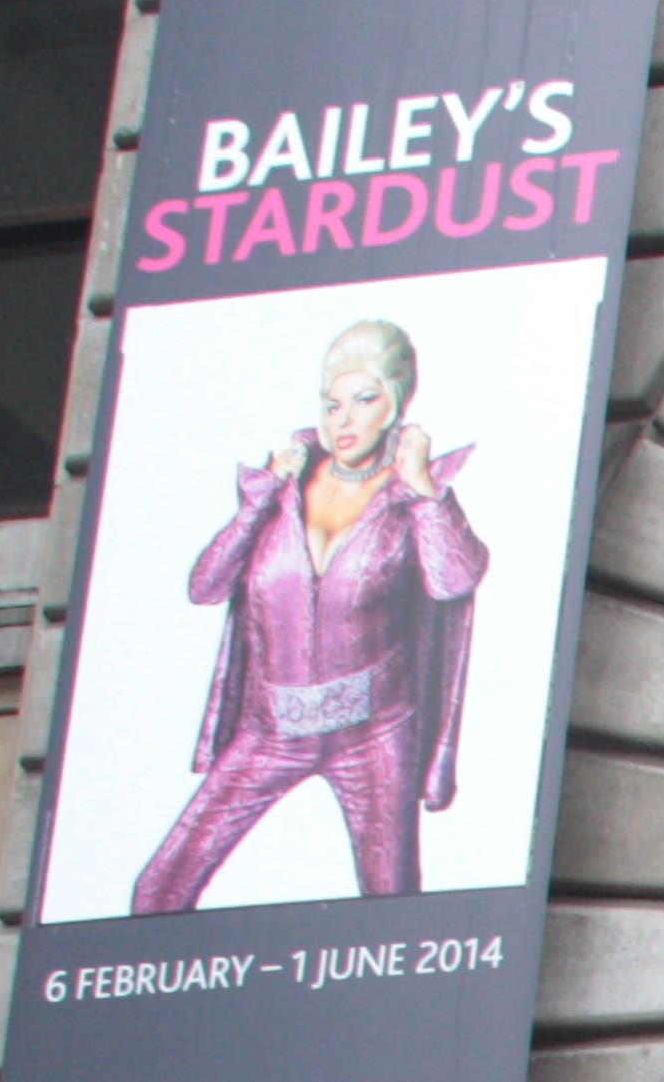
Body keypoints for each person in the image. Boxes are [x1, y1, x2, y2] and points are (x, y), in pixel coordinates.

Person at [130, 313, 487, 910]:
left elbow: (454, 579)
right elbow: (205, 586)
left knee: (392, 909)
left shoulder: (411, 493)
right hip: (271, 727)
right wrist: (259, 499)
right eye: (331, 404)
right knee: (159, 888)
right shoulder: (283, 487)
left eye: (363, 399)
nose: (342, 420)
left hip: (376, 732)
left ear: (397, 404)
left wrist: (425, 491)